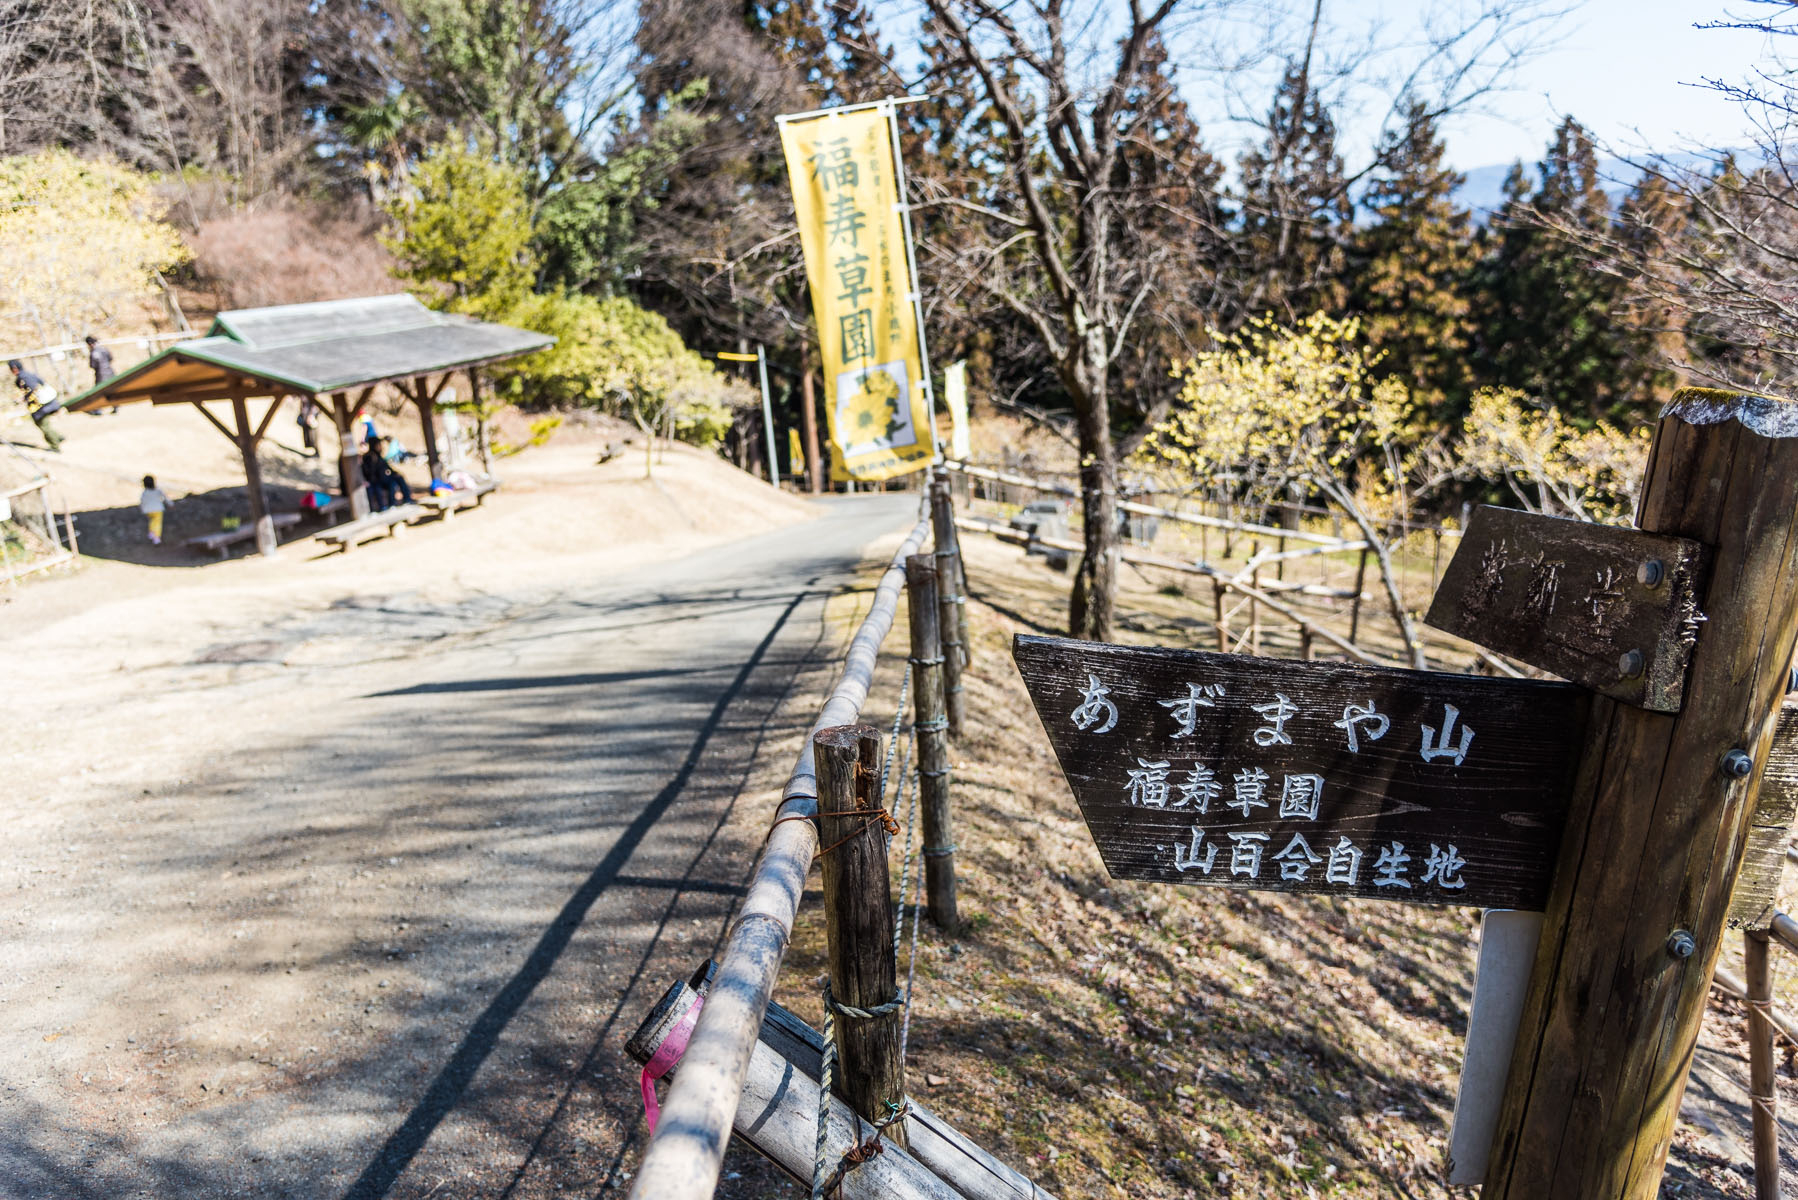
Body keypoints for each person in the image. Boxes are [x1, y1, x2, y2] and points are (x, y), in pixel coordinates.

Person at [8, 359, 63, 452]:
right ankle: (57, 437)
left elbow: (33, 388)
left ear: (14, 369)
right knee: (43, 423)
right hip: (45, 402)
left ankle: (55, 445)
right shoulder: (27, 374)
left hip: (40, 405)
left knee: (42, 424)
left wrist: (24, 398)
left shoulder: (23, 377)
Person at [361, 437, 413, 511]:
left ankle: (407, 499)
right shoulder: (369, 456)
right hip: (376, 481)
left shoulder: (379, 455)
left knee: (398, 478)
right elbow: (369, 472)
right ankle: (389, 505)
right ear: (374, 445)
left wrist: (395, 473)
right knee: (391, 484)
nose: (380, 447)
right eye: (378, 445)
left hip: (384, 478)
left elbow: (387, 467)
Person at [139, 475, 169, 545]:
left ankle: (151, 532)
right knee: (158, 523)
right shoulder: (158, 491)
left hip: (148, 510)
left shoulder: (145, 493)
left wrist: (142, 509)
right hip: (158, 509)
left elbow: (142, 501)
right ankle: (157, 538)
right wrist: (170, 504)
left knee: (152, 520)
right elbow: (165, 498)